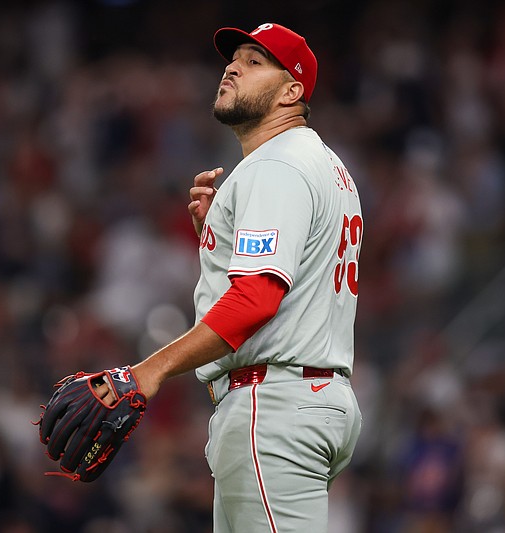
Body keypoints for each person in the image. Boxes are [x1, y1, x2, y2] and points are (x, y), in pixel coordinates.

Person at [98, 22, 363, 531]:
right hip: (306, 398)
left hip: (276, 406)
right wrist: (222, 237)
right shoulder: (325, 165)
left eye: (255, 61)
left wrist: (148, 371)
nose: (233, 67)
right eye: (234, 58)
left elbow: (257, 298)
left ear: (292, 92)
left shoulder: (276, 164)